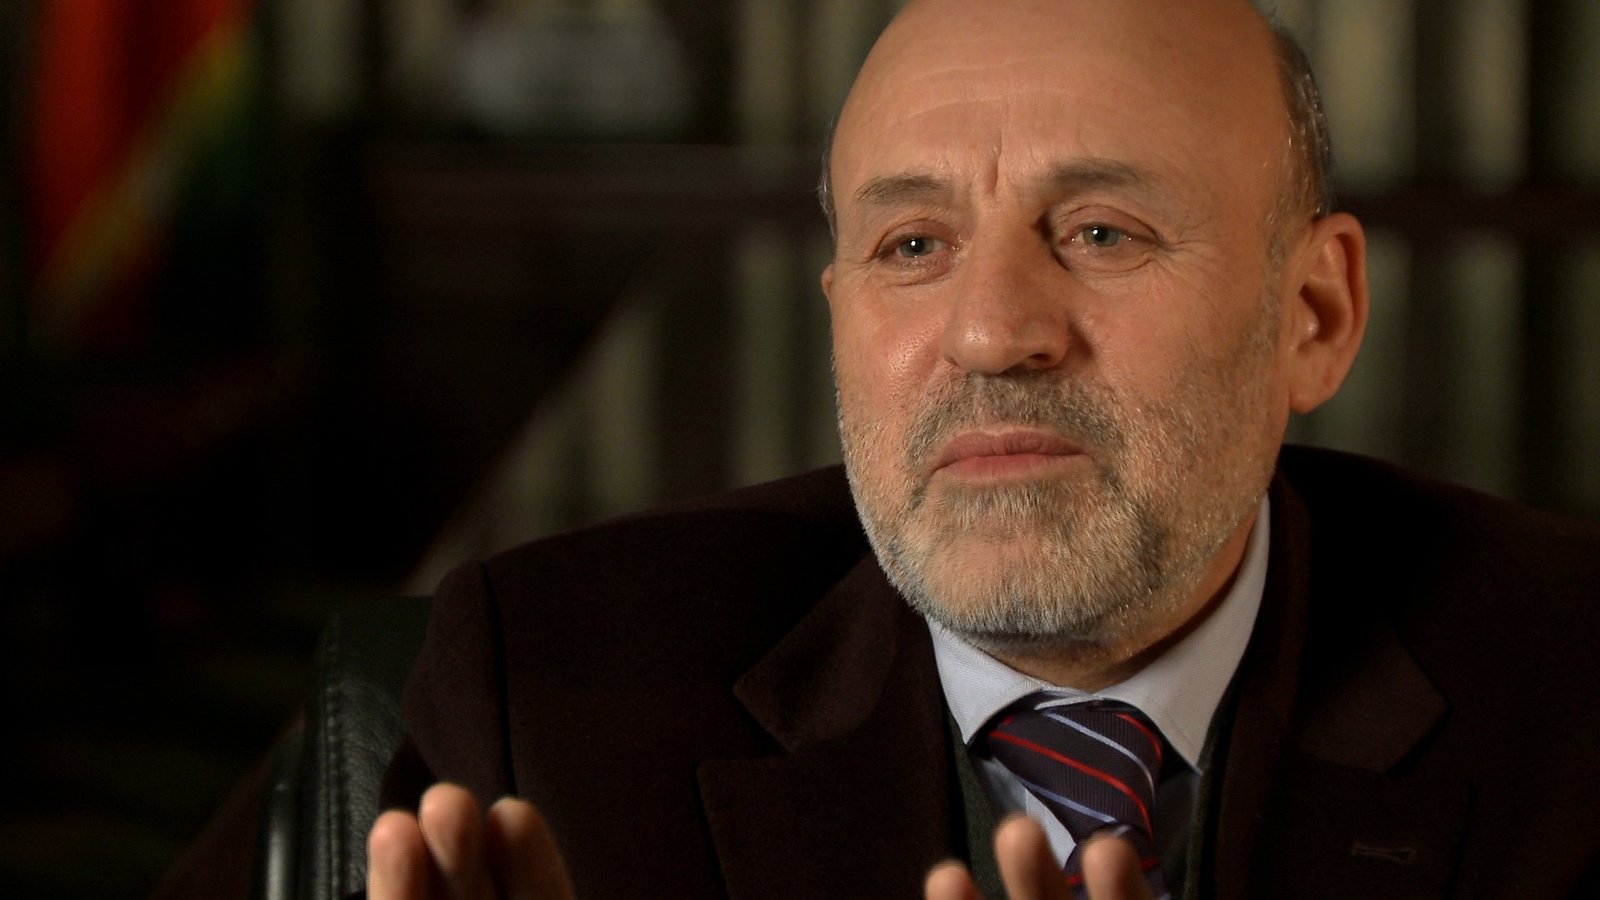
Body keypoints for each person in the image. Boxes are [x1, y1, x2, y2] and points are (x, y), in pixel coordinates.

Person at [366, 0, 1600, 897]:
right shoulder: (550, 703)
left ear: (1312, 316)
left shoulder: (1575, 699)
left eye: (1103, 233)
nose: (992, 333)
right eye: (912, 245)